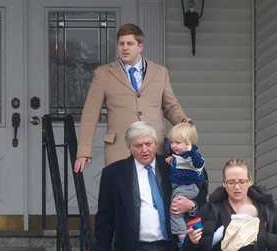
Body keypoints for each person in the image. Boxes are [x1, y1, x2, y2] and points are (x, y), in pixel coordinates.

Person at [87, 121, 207, 251]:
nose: (144, 149)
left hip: (173, 249)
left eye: (149, 144)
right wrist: (100, 249)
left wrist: (192, 205)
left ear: (157, 144)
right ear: (129, 147)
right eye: (138, 145)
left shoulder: (173, 164)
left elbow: (202, 190)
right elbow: (106, 215)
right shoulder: (114, 174)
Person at [74, 23, 191, 173]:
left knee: (154, 192)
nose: (124, 48)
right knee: (122, 193)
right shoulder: (103, 74)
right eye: (121, 44)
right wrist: (84, 151)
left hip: (153, 145)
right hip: (119, 147)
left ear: (140, 46)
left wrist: (186, 125)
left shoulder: (160, 72)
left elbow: (171, 107)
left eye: (130, 43)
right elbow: (90, 114)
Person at [165, 122, 206, 251]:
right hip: (179, 186)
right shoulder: (176, 156)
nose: (173, 146)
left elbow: (199, 163)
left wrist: (191, 150)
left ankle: (183, 241)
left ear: (188, 143)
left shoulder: (193, 156)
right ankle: (194, 224)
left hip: (188, 187)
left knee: (175, 209)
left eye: (178, 142)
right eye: (172, 142)